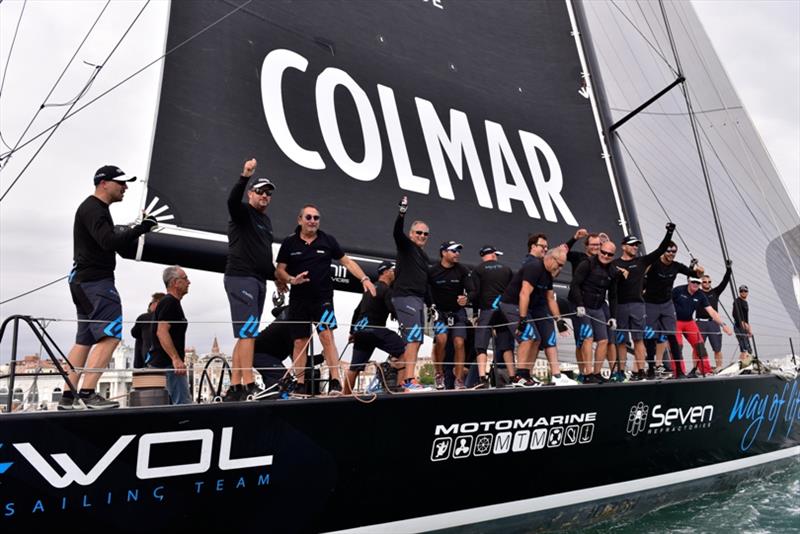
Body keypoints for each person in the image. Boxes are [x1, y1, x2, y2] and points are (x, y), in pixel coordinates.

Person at [58, 165, 157, 411]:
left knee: (84, 340)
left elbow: (104, 238)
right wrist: (142, 227)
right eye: (120, 182)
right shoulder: (94, 209)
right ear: (104, 183)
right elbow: (108, 241)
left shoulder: (92, 209)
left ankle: (68, 398)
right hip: (96, 283)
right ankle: (89, 394)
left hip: (82, 282)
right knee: (111, 336)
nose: (125, 187)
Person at [276, 204, 376, 395]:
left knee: (326, 337)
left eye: (316, 218)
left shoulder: (327, 240)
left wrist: (364, 278)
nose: (313, 221)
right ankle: (300, 384)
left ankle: (335, 381)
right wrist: (291, 279)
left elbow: (346, 261)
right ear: (300, 220)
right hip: (298, 298)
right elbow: (279, 269)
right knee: (299, 341)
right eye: (309, 217)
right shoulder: (289, 242)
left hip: (323, 299)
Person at [222, 158, 276, 402]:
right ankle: (250, 384)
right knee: (248, 332)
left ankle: (235, 387)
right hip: (241, 277)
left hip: (259, 280)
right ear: (252, 194)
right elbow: (232, 201)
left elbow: (264, 254)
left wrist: (279, 278)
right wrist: (245, 176)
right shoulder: (243, 211)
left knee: (246, 333)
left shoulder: (266, 221)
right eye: (261, 191)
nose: (265, 196)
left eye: (268, 193)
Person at [612, 223, 675, 381]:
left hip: (638, 305)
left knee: (638, 339)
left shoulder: (641, 261)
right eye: (632, 245)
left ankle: (640, 371)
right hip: (620, 305)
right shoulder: (614, 264)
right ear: (623, 246)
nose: (635, 247)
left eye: (636, 245)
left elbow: (660, 250)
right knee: (620, 339)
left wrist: (669, 233)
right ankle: (620, 371)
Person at [499, 247, 569, 387]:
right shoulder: (534, 267)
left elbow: (550, 299)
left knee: (537, 340)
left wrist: (559, 320)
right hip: (512, 303)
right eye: (559, 264)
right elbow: (524, 293)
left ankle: (526, 376)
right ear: (550, 258)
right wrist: (523, 319)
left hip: (524, 306)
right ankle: (518, 377)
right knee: (528, 337)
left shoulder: (548, 274)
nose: (560, 268)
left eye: (563, 265)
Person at [643, 242, 704, 378]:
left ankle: (679, 371)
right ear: (663, 250)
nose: (671, 253)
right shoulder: (654, 263)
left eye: (674, 251)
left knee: (672, 335)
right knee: (650, 336)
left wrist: (699, 271)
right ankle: (651, 369)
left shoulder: (676, 266)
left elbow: (694, 274)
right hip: (651, 303)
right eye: (669, 251)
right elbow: (641, 271)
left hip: (666, 304)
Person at [344, 261, 405, 394]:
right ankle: (401, 388)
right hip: (375, 330)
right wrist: (404, 321)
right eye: (392, 270)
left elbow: (356, 311)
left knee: (354, 367)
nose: (394, 273)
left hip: (360, 332)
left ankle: (344, 396)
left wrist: (352, 332)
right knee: (404, 351)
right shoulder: (386, 289)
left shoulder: (368, 290)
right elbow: (392, 308)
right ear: (386, 272)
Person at [391, 196, 431, 392]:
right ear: (411, 234)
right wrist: (402, 212)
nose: (422, 236)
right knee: (413, 338)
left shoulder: (423, 256)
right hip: (405, 296)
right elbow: (397, 232)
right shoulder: (406, 246)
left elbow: (425, 281)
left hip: (417, 299)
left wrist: (431, 305)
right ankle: (408, 380)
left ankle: (407, 380)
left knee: (416, 339)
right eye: (418, 232)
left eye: (425, 234)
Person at [569, 241, 624, 384]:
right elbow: (574, 284)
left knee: (604, 340)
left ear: (613, 255)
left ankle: (596, 372)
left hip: (598, 307)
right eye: (603, 252)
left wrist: (613, 317)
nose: (605, 256)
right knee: (587, 338)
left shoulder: (613, 271)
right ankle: (587, 373)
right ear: (599, 250)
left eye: (609, 254)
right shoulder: (587, 264)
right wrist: (579, 305)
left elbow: (613, 295)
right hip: (583, 307)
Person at [429, 241, 473, 389]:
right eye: (453, 251)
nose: (457, 254)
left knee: (459, 342)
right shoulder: (432, 271)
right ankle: (439, 374)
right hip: (440, 313)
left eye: (458, 251)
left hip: (458, 312)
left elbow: (472, 290)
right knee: (441, 340)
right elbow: (425, 291)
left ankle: (459, 380)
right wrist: (431, 305)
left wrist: (467, 299)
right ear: (443, 253)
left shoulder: (462, 269)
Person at [470, 245, 515, 389]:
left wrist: (475, 313)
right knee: (506, 345)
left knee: (481, 345)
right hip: (504, 310)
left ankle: (482, 378)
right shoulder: (506, 269)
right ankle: (513, 376)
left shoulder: (477, 270)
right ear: (493, 255)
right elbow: (513, 290)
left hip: (487, 310)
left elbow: (475, 294)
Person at [146, 266, 192, 404]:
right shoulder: (169, 302)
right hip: (168, 365)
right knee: (183, 405)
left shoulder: (172, 303)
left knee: (169, 405)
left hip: (165, 363)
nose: (189, 282)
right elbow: (162, 331)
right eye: (185, 279)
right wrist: (176, 359)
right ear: (174, 282)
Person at [672, 276, 732, 377]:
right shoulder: (678, 290)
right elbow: (665, 301)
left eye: (698, 283)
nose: (696, 284)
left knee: (700, 346)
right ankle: (679, 372)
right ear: (689, 281)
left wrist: (723, 325)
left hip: (689, 322)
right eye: (694, 282)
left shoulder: (700, 295)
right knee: (677, 347)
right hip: (675, 321)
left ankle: (706, 371)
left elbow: (712, 311)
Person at [698, 260, 733, 369]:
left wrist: (728, 269)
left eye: (709, 282)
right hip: (700, 323)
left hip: (713, 323)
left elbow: (725, 282)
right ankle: (697, 369)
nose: (707, 283)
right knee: (698, 348)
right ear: (700, 283)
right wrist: (691, 267)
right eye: (704, 282)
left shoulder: (715, 292)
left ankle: (719, 368)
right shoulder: (697, 292)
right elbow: (690, 281)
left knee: (717, 348)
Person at [131, 292, 165, 369]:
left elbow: (134, 333)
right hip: (167, 359)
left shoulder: (144, 317)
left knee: (139, 338)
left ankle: (138, 365)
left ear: (156, 303)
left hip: (149, 357)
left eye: (151, 303)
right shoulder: (169, 318)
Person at [732, 285, 753, 361]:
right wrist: (742, 323)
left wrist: (749, 328)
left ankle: (744, 363)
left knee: (747, 348)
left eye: (745, 291)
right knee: (744, 347)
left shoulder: (745, 302)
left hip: (744, 327)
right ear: (739, 292)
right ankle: (744, 363)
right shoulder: (737, 301)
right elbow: (734, 314)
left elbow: (746, 318)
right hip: (738, 326)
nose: (743, 292)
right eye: (741, 291)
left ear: (747, 292)